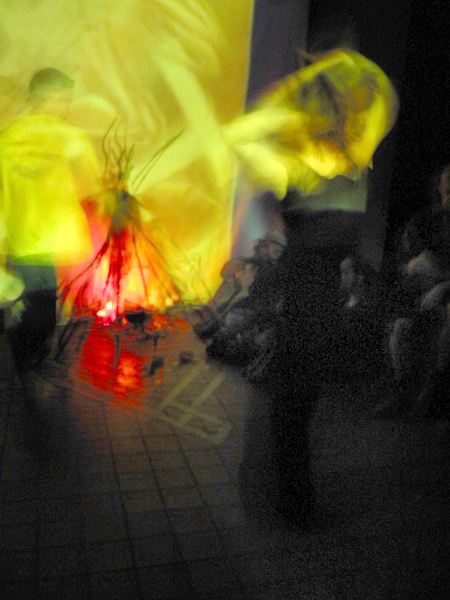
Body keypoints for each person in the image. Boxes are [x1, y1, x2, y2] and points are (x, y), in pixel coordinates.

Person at [0, 68, 101, 447]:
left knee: (36, 304)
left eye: (67, 99)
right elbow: (91, 179)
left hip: (32, 237)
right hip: (34, 238)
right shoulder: (61, 136)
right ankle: (28, 370)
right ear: (42, 95)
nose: (65, 106)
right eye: (62, 98)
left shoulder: (10, 136)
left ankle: (30, 363)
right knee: (40, 309)